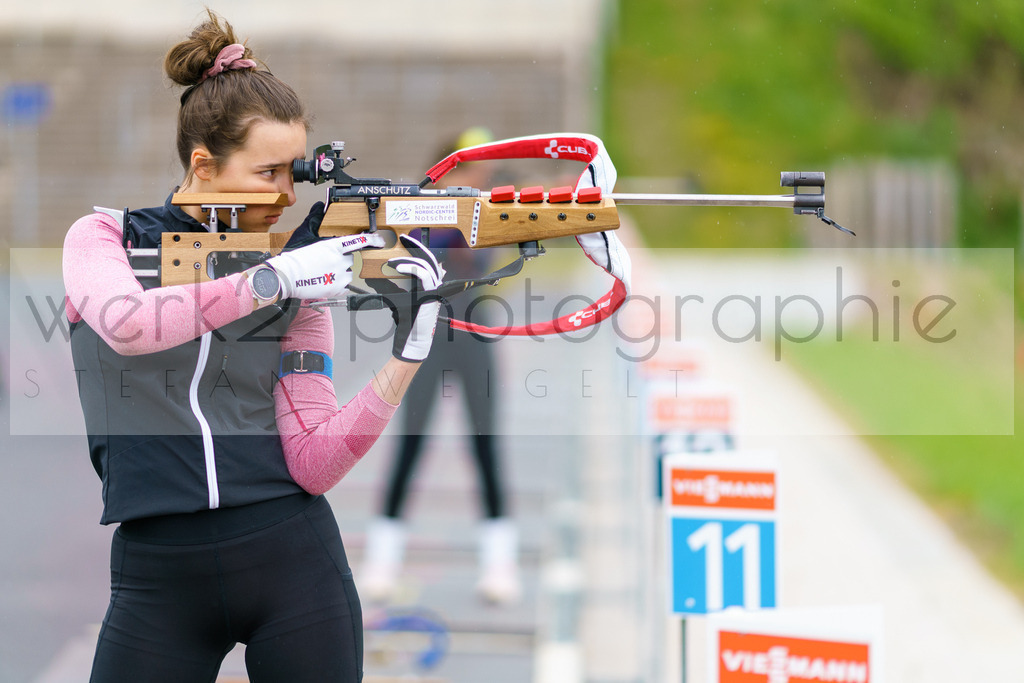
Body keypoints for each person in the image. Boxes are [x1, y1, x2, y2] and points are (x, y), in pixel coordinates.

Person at [62, 11, 443, 682]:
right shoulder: (104, 238)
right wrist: (275, 278)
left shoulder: (297, 276)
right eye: (269, 172)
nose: (288, 195)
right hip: (158, 579)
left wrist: (407, 354)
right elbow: (129, 323)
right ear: (204, 165)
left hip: (294, 561)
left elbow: (313, 462)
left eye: (295, 173)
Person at [360, 127, 522, 605]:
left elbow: (485, 260)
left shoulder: (489, 208)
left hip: (473, 331)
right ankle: (382, 562)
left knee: (485, 445)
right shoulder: (420, 207)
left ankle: (499, 565)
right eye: (472, 166)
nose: (482, 175)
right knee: (410, 443)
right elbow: (411, 252)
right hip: (427, 333)